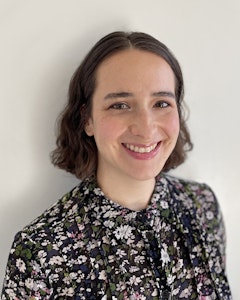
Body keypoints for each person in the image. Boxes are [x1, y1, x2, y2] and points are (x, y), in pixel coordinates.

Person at [1, 31, 232, 299]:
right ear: (87, 118)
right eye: (120, 105)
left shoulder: (203, 206)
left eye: (161, 103)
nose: (146, 128)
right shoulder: (40, 250)